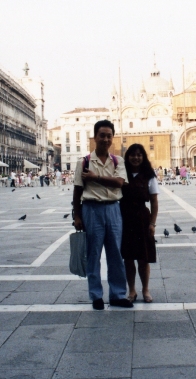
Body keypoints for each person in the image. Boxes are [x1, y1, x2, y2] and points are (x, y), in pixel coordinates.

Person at [73, 120, 133, 310]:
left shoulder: (118, 161)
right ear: (95, 137)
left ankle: (117, 294)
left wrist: (95, 178)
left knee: (116, 253)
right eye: (102, 135)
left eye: (109, 136)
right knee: (93, 254)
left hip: (113, 208)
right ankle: (96, 295)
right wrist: (77, 216)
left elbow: (119, 182)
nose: (106, 139)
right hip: (91, 209)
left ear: (112, 138)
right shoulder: (83, 162)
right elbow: (77, 190)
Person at [120, 144, 159, 303]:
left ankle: (145, 289)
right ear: (127, 157)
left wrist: (152, 224)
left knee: (144, 257)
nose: (136, 158)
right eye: (132, 155)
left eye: (139, 155)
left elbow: (154, 202)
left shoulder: (149, 175)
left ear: (143, 157)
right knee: (128, 258)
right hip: (125, 219)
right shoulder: (121, 174)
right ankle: (132, 290)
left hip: (142, 219)